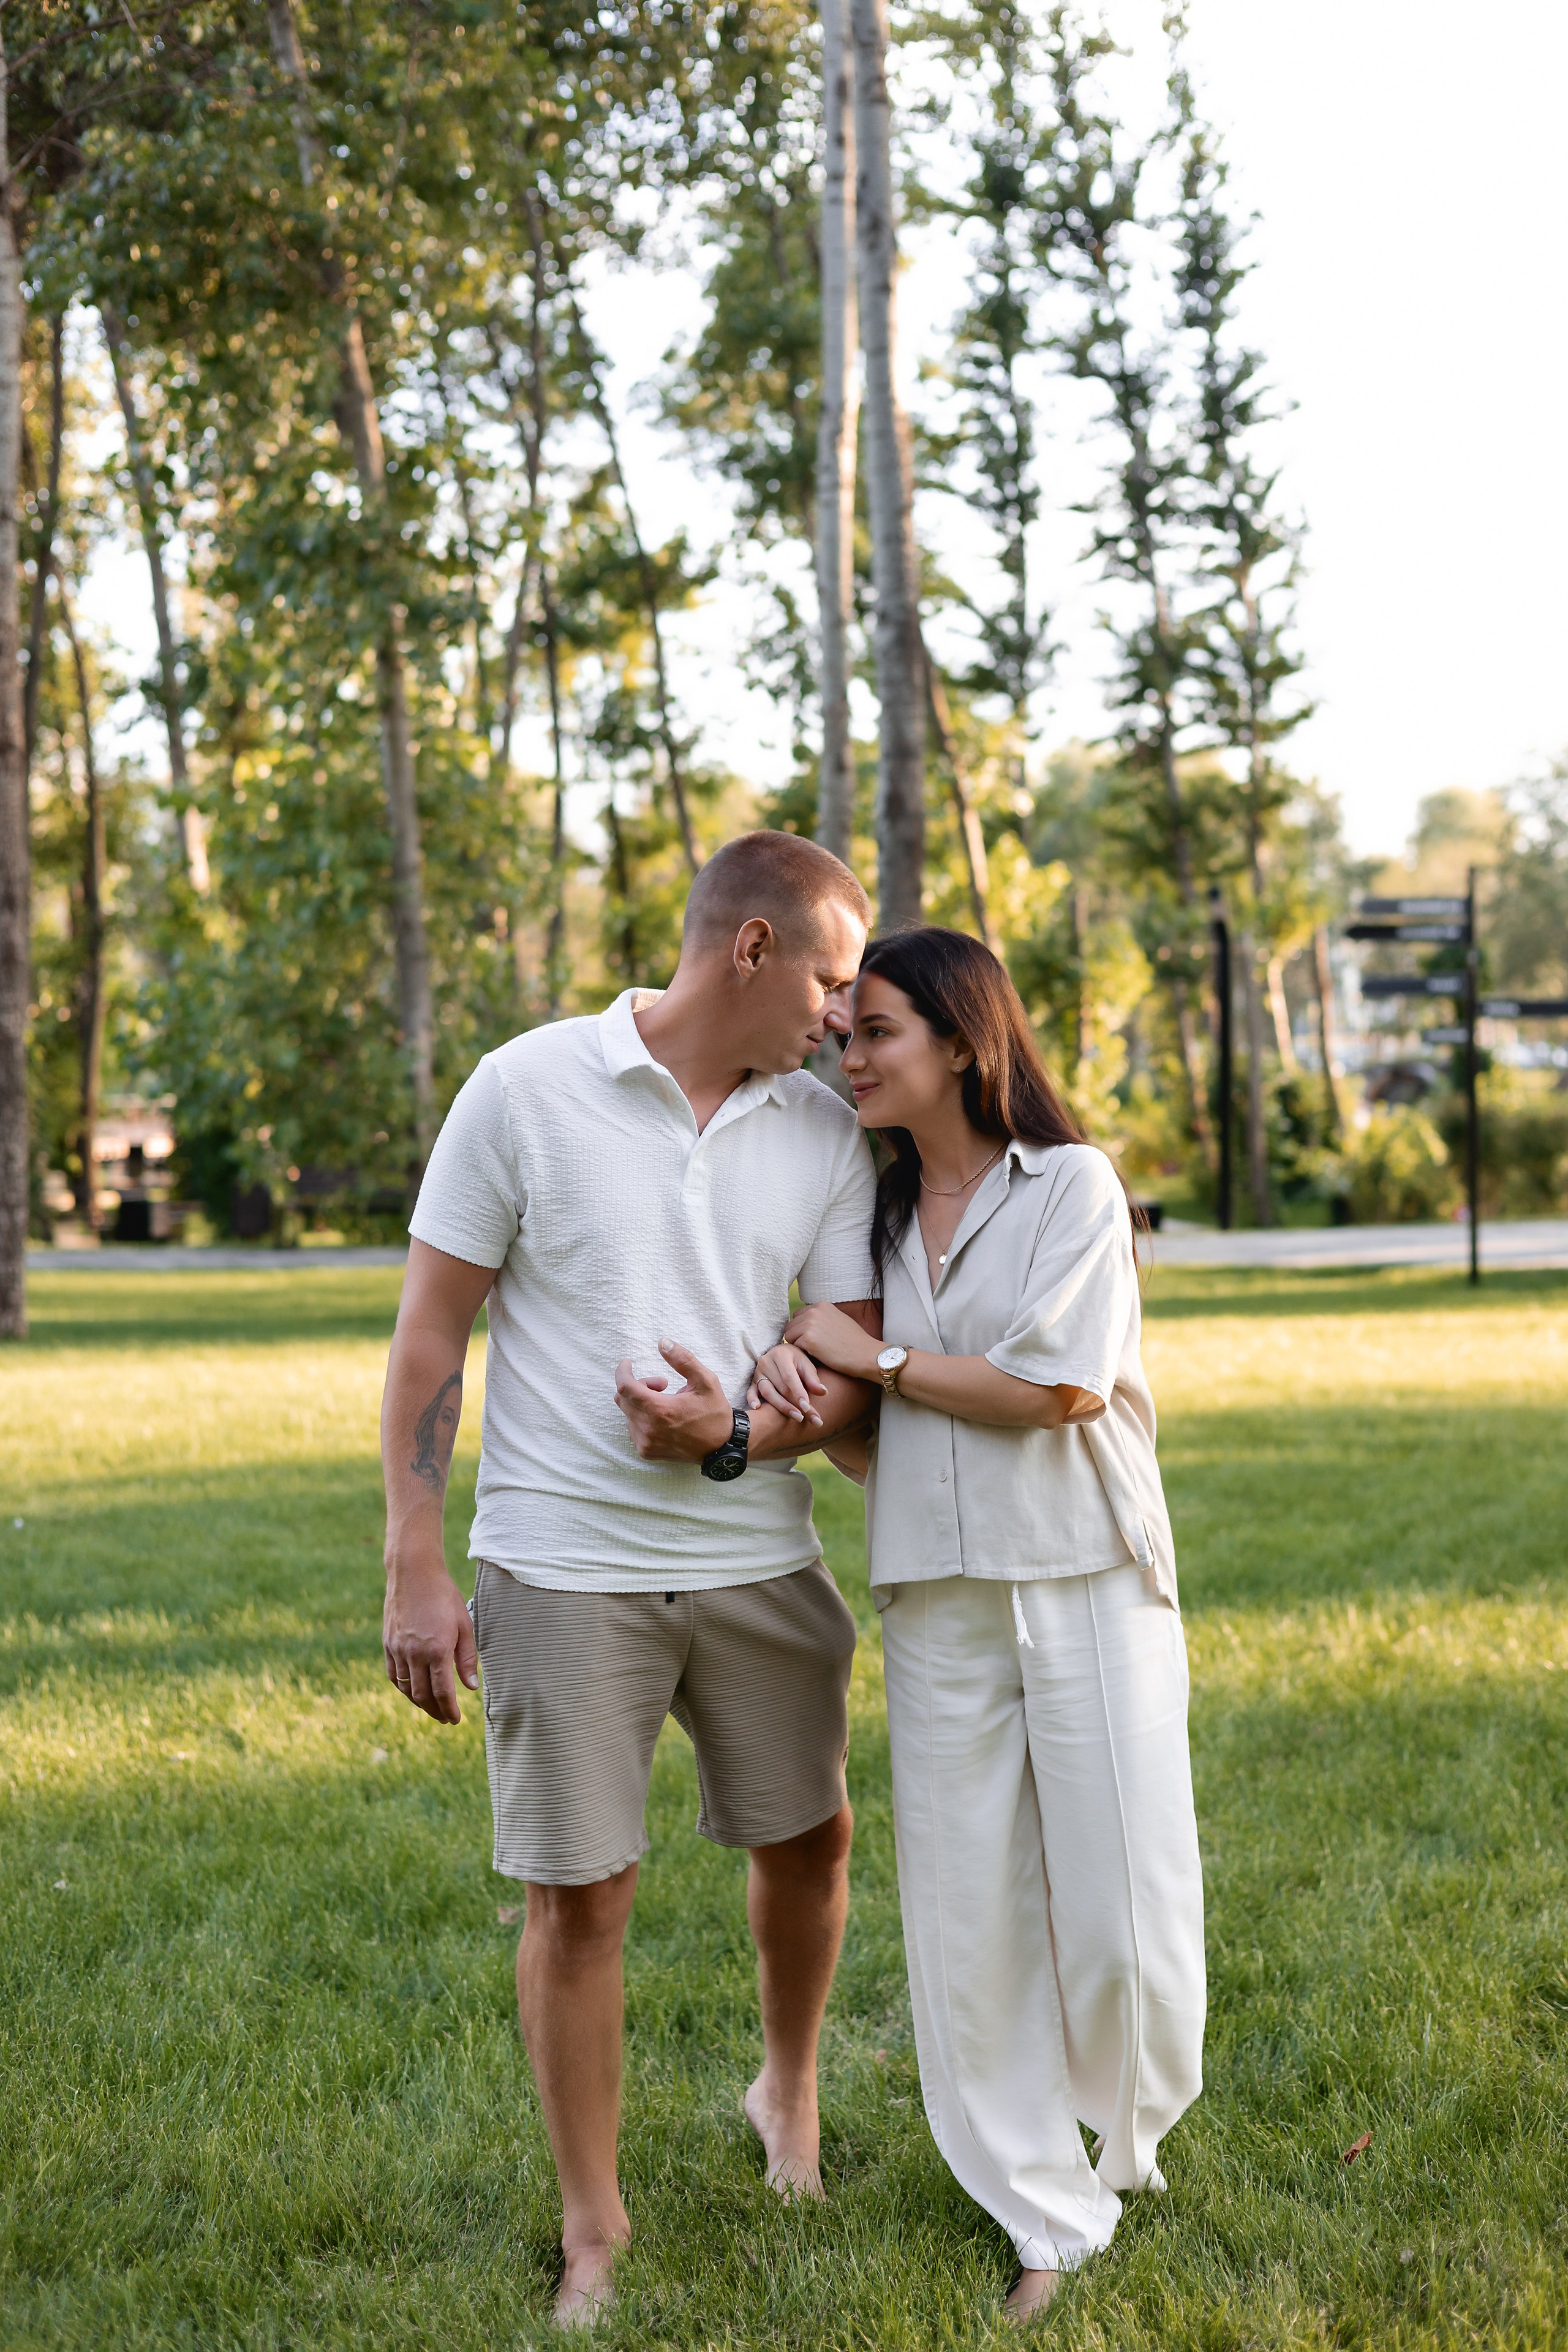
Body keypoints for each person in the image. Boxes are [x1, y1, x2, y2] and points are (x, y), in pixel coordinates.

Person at [378, 832, 883, 2327]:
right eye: (832, 977)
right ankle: (591, 2228)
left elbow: (848, 1375)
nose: (843, 1013)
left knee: (809, 1839)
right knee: (580, 1897)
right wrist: (415, 1557)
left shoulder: (824, 1129)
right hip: (561, 1567)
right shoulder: (523, 1087)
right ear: (751, 950)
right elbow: (428, 1337)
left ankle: (782, 2094)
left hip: (754, 1554)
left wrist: (727, 1426)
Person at [750, 927, 1205, 2326]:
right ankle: (1038, 2207)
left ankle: (1125, 2142)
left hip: (1085, 1578)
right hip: (936, 1597)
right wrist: (798, 1382)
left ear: (960, 1040)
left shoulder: (1071, 1186)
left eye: (875, 1029)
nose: (848, 1052)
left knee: (1124, 1918)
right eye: (841, 1032)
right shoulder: (866, 1216)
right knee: (970, 1927)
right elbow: (859, 1431)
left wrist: (871, 1355)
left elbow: (1056, 1387)